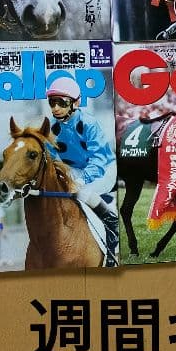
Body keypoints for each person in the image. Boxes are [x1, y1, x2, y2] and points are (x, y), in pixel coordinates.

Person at [45, 76, 119, 267]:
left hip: (105, 170)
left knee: (80, 191)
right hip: (76, 170)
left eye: (61, 102)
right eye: (52, 102)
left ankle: (111, 223)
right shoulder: (52, 128)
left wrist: (81, 181)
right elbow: (51, 159)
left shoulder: (89, 123)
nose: (55, 108)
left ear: (75, 103)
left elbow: (99, 159)